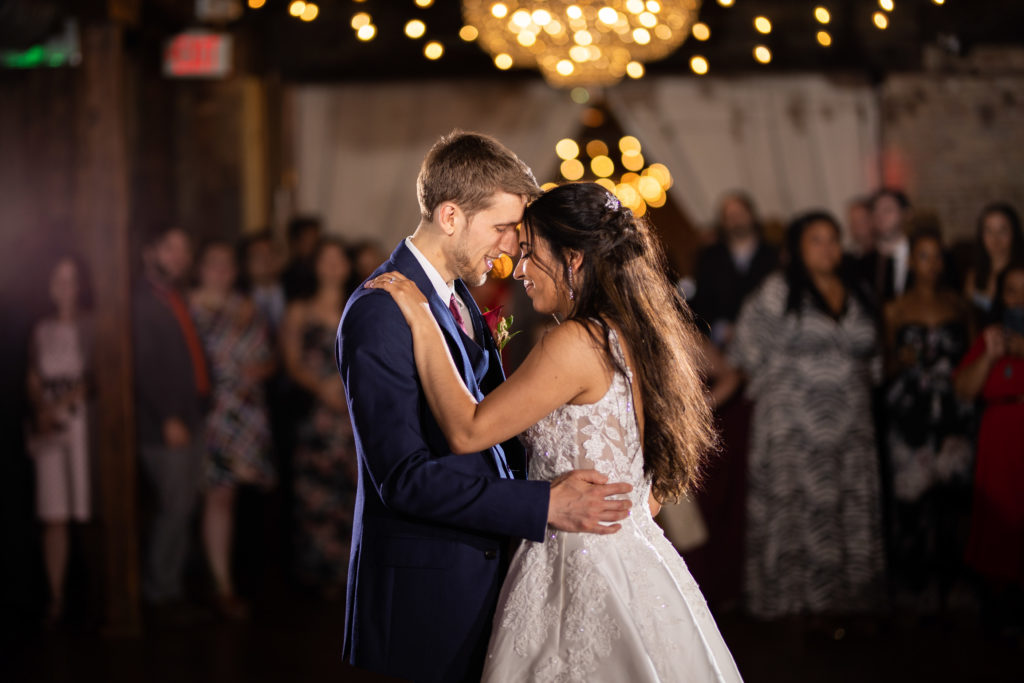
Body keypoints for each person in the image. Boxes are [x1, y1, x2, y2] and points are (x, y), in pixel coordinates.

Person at [368, 180, 741, 682]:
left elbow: (466, 431)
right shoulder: (636, 333)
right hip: (638, 556)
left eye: (529, 253)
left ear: (574, 259)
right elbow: (647, 495)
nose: (519, 269)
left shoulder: (573, 341)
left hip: (578, 563)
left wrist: (420, 320)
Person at [336, 133, 635, 682]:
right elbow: (402, 478)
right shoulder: (381, 312)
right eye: (501, 228)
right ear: (450, 215)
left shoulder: (459, 302)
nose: (509, 249)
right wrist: (540, 505)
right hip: (425, 595)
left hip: (486, 575)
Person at [730, 210, 885, 619]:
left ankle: (846, 605)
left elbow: (875, 357)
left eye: (833, 239)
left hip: (851, 428)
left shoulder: (857, 289)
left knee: (845, 510)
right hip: (792, 430)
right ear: (797, 248)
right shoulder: (778, 291)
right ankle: (792, 607)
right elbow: (743, 350)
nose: (827, 247)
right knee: (799, 513)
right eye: (816, 239)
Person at [883, 227, 974, 611]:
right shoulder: (896, 309)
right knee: (911, 502)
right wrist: (898, 361)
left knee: (954, 500)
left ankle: (952, 582)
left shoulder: (959, 305)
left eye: (937, 256)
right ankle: (916, 587)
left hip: (953, 410)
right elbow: (882, 364)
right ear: (911, 262)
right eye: (923, 256)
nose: (931, 265)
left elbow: (972, 356)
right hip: (910, 411)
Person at [190, 241, 276, 619]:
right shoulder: (188, 307)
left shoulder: (247, 306)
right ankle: (218, 584)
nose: (221, 272)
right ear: (201, 268)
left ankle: (229, 578)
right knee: (217, 495)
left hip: (247, 411)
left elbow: (269, 358)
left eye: (228, 265)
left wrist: (260, 371)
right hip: (211, 414)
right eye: (214, 264)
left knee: (239, 497)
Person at [132, 225, 210, 612]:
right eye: (170, 249)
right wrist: (167, 418)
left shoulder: (176, 297)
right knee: (173, 508)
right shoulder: (142, 303)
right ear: (151, 253)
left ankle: (171, 584)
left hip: (192, 416)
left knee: (183, 506)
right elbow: (142, 368)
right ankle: (160, 593)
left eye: (184, 249)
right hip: (166, 424)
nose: (179, 257)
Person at [281, 237, 358, 597]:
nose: (331, 266)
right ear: (314, 265)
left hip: (354, 412)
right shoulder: (299, 309)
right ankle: (319, 572)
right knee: (316, 489)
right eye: (324, 259)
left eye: (337, 259)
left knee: (354, 487)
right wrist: (321, 388)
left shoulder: (359, 304)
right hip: (316, 413)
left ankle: (351, 569)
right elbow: (291, 362)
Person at [954, 260, 1024, 638]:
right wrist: (991, 355)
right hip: (1000, 438)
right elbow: (964, 389)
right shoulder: (990, 335)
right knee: (1000, 521)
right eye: (1012, 290)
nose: (1020, 299)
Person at [25, 255, 92, 625]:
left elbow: (98, 373)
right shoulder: (40, 329)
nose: (64, 288)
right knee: (54, 514)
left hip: (82, 424)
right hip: (51, 426)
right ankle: (56, 594)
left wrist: (65, 402)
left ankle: (92, 592)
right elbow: (32, 374)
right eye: (57, 280)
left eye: (71, 280)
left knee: (86, 505)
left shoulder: (93, 325)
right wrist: (41, 408)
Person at [963, 202, 1023, 328]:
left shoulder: (1020, 274)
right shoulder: (974, 274)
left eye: (1003, 231)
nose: (995, 239)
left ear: (1014, 233)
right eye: (988, 231)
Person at [858, 189, 912, 302]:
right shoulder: (864, 262)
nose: (880, 216)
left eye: (887, 210)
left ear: (905, 214)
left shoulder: (920, 253)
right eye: (875, 210)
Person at [238, 230, 287, 334]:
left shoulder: (295, 291)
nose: (266, 260)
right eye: (259, 256)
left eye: (271, 253)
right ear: (246, 262)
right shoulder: (238, 296)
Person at [281, 216, 322, 302]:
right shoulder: (287, 278)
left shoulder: (321, 272)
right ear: (295, 242)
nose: (313, 246)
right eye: (307, 241)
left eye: (316, 241)